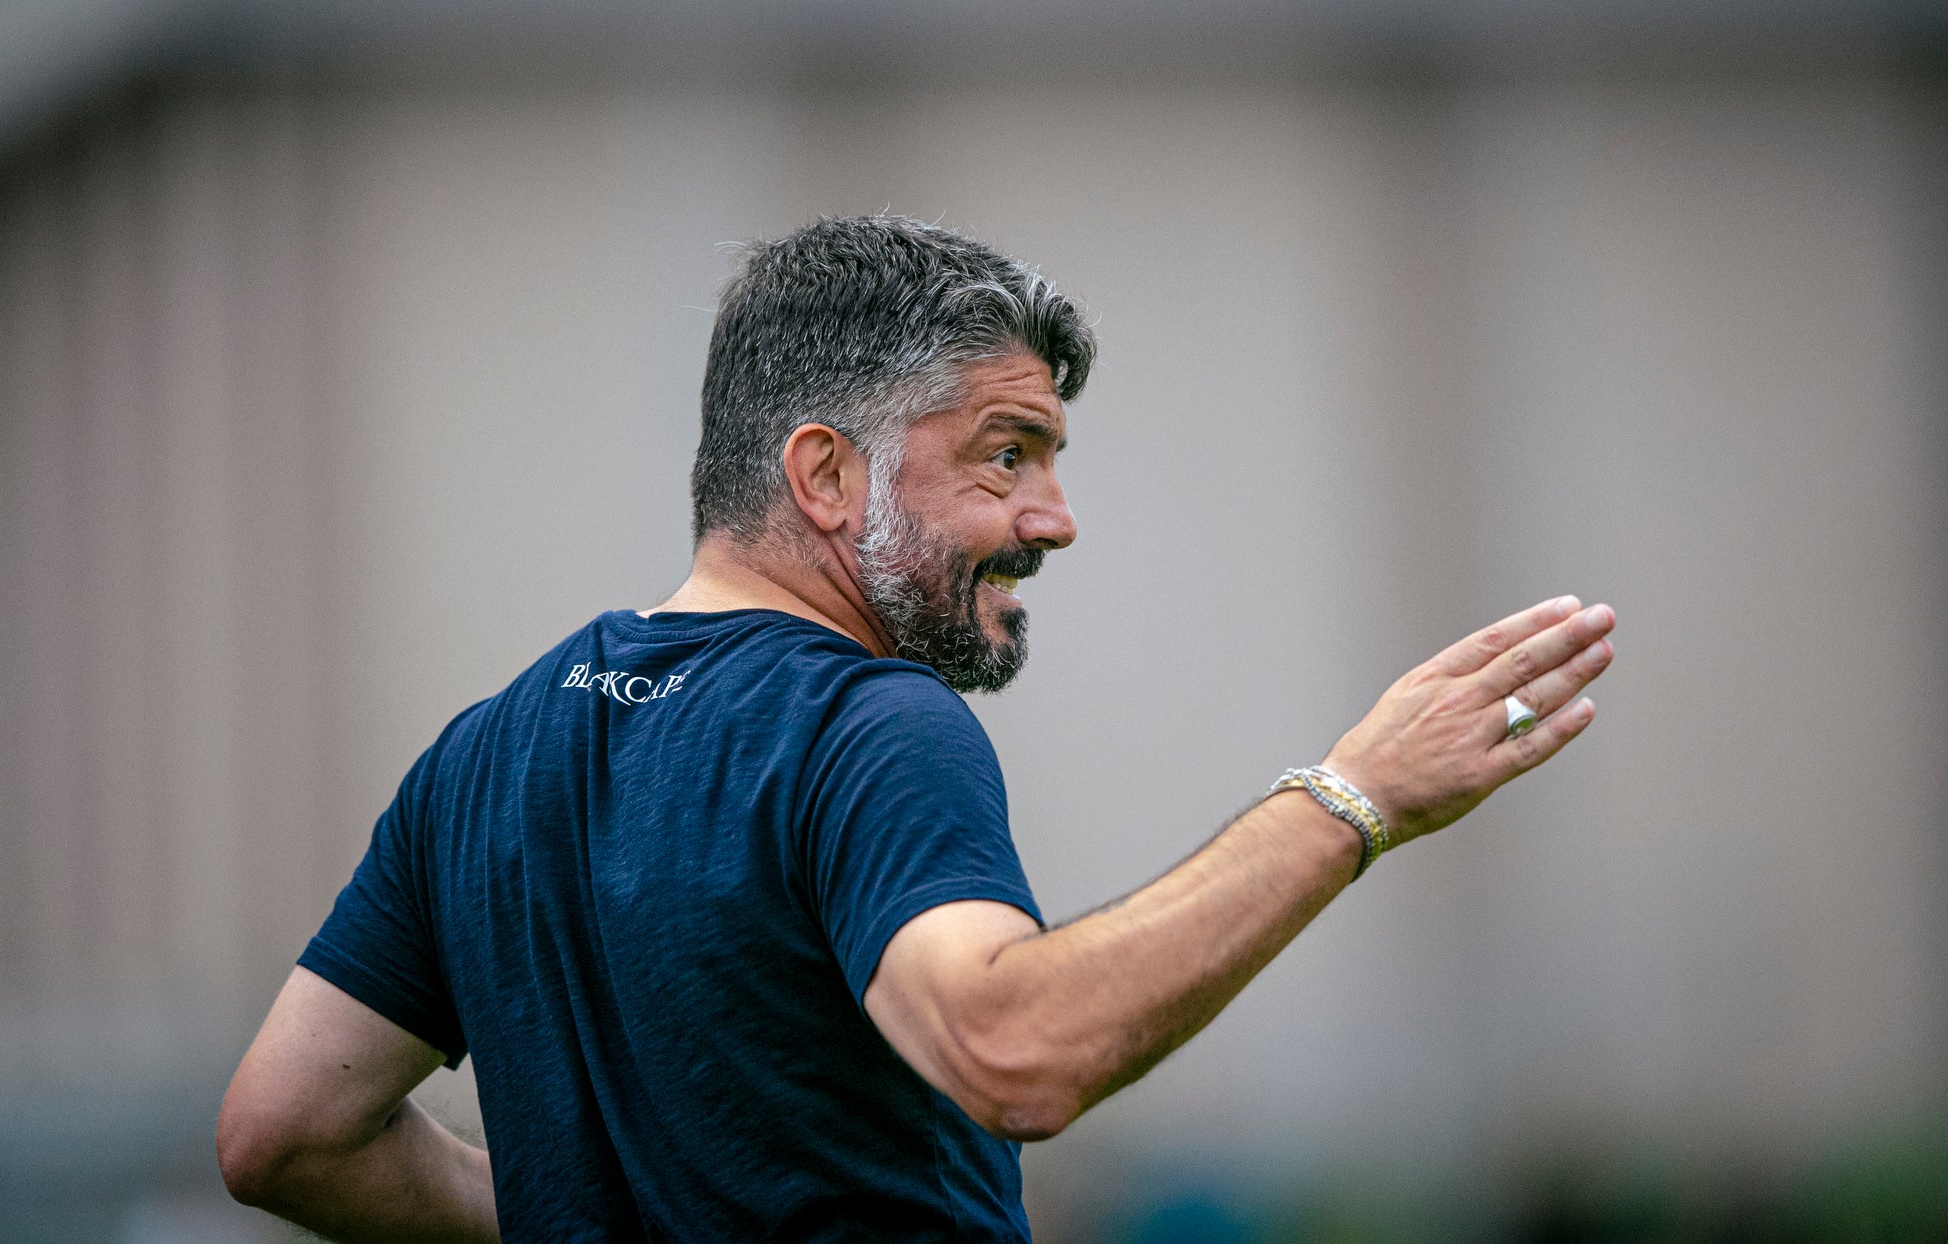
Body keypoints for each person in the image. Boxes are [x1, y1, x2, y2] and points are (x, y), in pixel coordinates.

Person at [216, 215, 1615, 1242]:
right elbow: (1012, 1048)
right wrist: (1354, 795)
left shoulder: (486, 748)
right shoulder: (868, 722)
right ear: (826, 474)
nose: (1054, 520)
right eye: (1006, 454)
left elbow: (285, 1131)